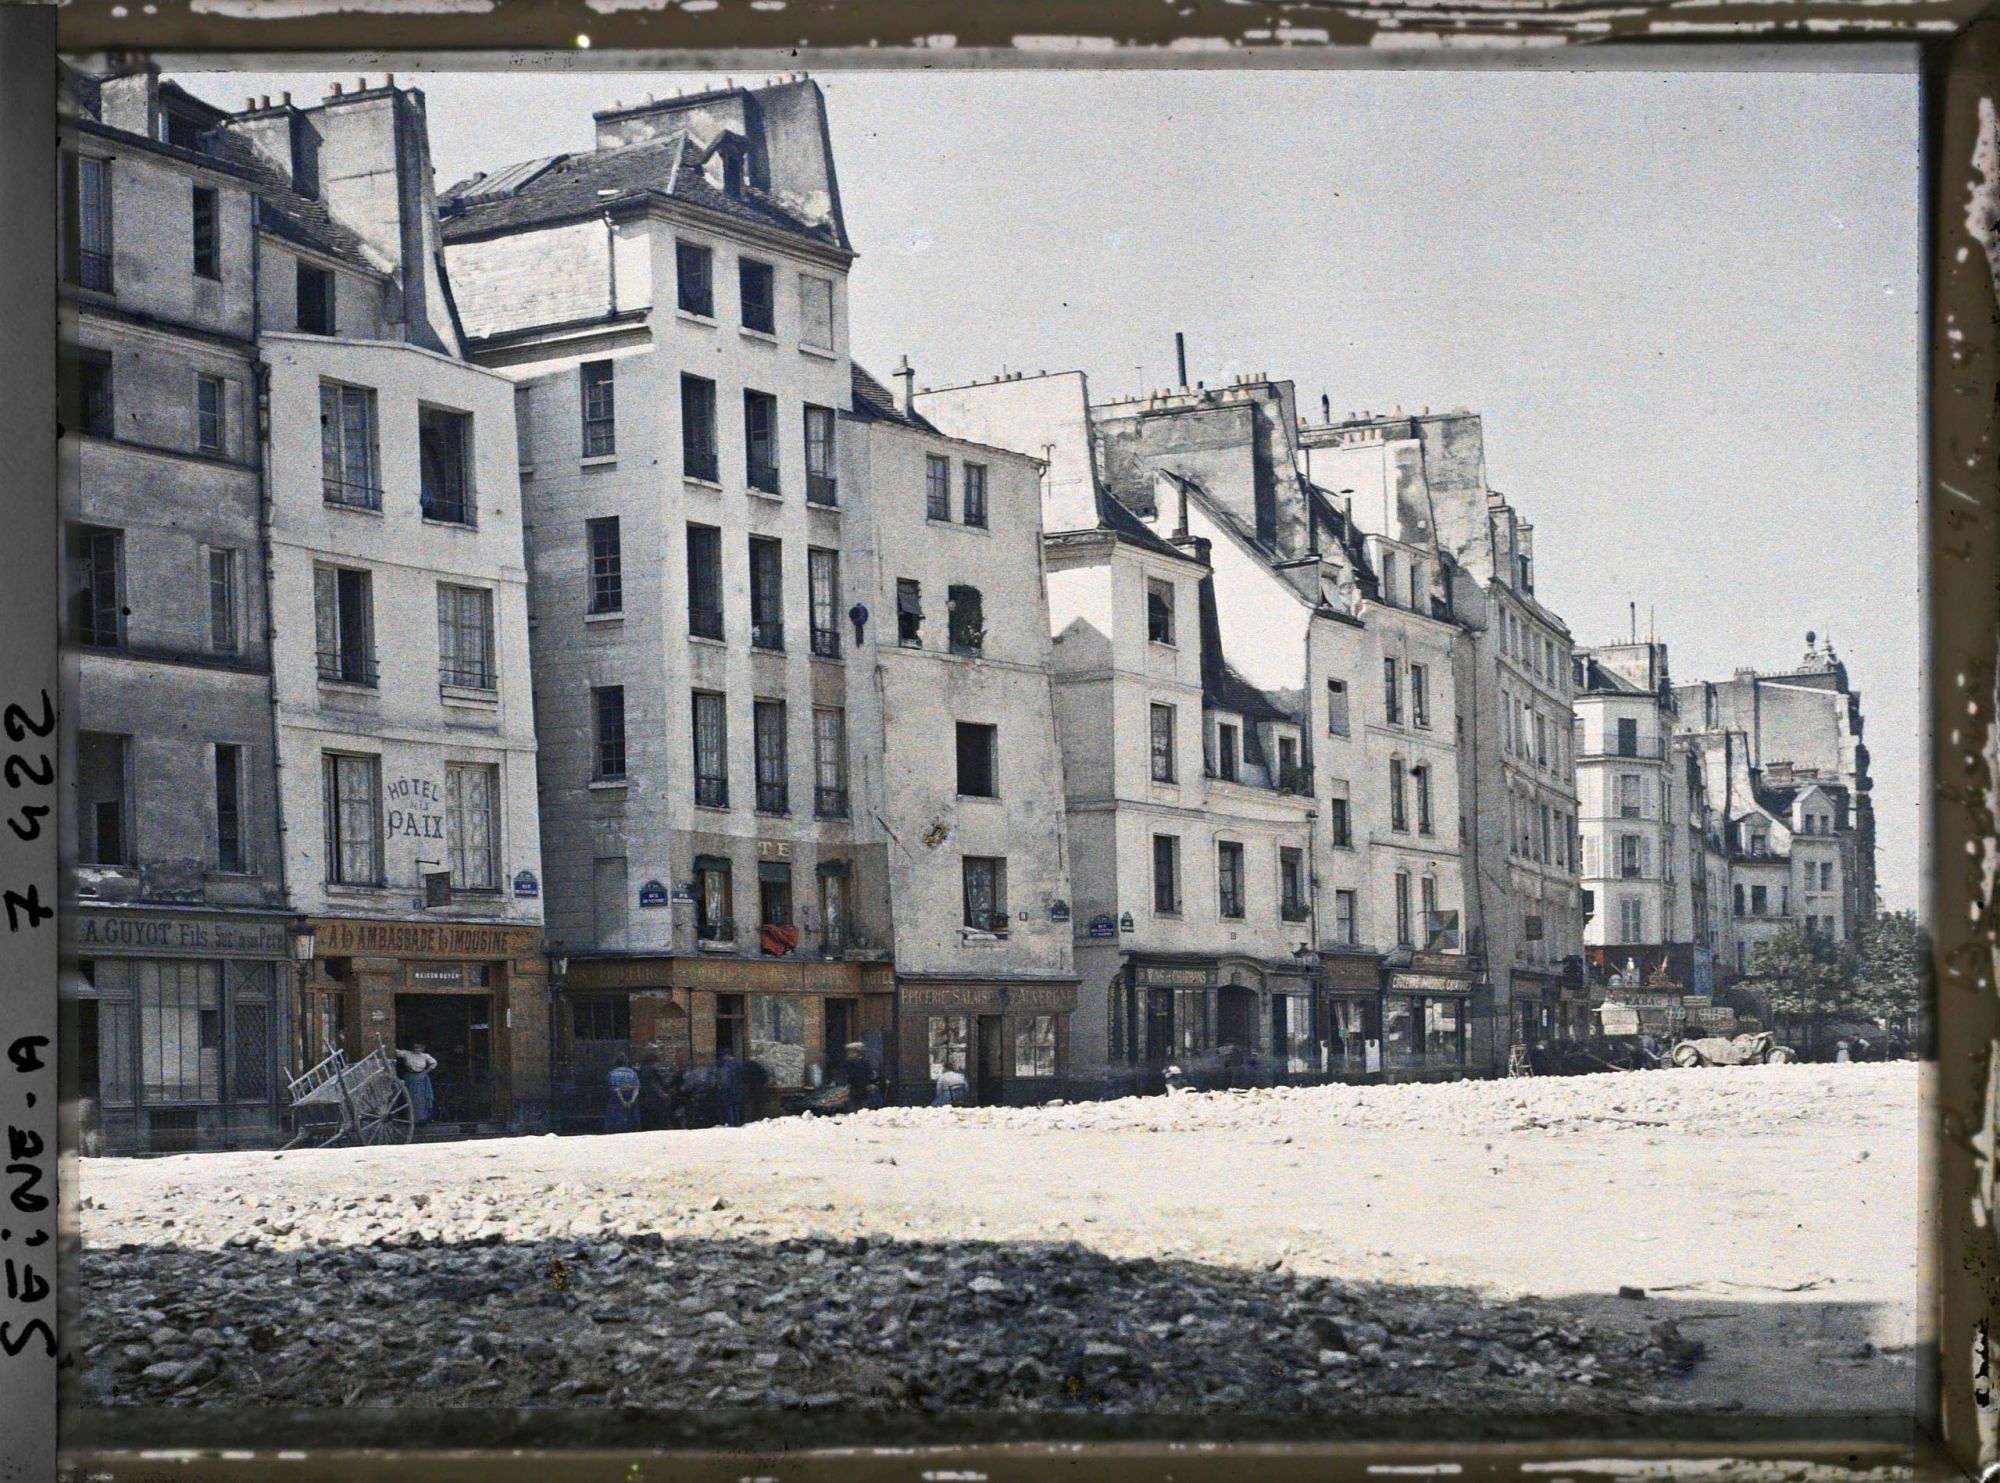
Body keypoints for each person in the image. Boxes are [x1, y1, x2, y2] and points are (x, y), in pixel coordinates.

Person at [397, 1042, 437, 1125]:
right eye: (415, 1047)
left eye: (419, 1047)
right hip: (410, 1077)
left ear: (422, 1048)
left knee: (421, 1099)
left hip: (421, 1078)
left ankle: (421, 1119)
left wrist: (425, 1072)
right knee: (409, 1098)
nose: (417, 1049)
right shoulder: (407, 1054)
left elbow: (434, 1063)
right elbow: (397, 1052)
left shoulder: (425, 1056)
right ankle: (410, 1119)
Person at [638, 1053, 674, 1131]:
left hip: (643, 1099)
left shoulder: (640, 1070)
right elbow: (655, 1084)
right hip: (654, 1099)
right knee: (659, 1119)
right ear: (653, 1062)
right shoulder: (652, 1070)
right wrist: (663, 1094)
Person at [605, 1054, 641, 1134]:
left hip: (617, 1098)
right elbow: (636, 1088)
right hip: (631, 1095)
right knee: (632, 1117)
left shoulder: (613, 1073)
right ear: (626, 1062)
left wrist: (623, 1101)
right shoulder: (632, 1073)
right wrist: (632, 1100)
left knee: (616, 1117)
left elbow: (616, 1089)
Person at [841, 1041, 874, 1114]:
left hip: (859, 1089)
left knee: (859, 1109)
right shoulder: (853, 1063)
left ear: (857, 1052)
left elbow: (863, 1075)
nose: (849, 1054)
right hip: (857, 1089)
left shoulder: (858, 1063)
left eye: (851, 1052)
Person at [718, 1049, 746, 1128]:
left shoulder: (728, 1065)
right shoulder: (738, 1064)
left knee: (730, 1107)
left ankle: (732, 1124)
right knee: (736, 1107)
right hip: (738, 1089)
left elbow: (725, 1078)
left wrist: (722, 1086)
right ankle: (737, 1123)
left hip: (729, 1089)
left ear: (727, 1055)